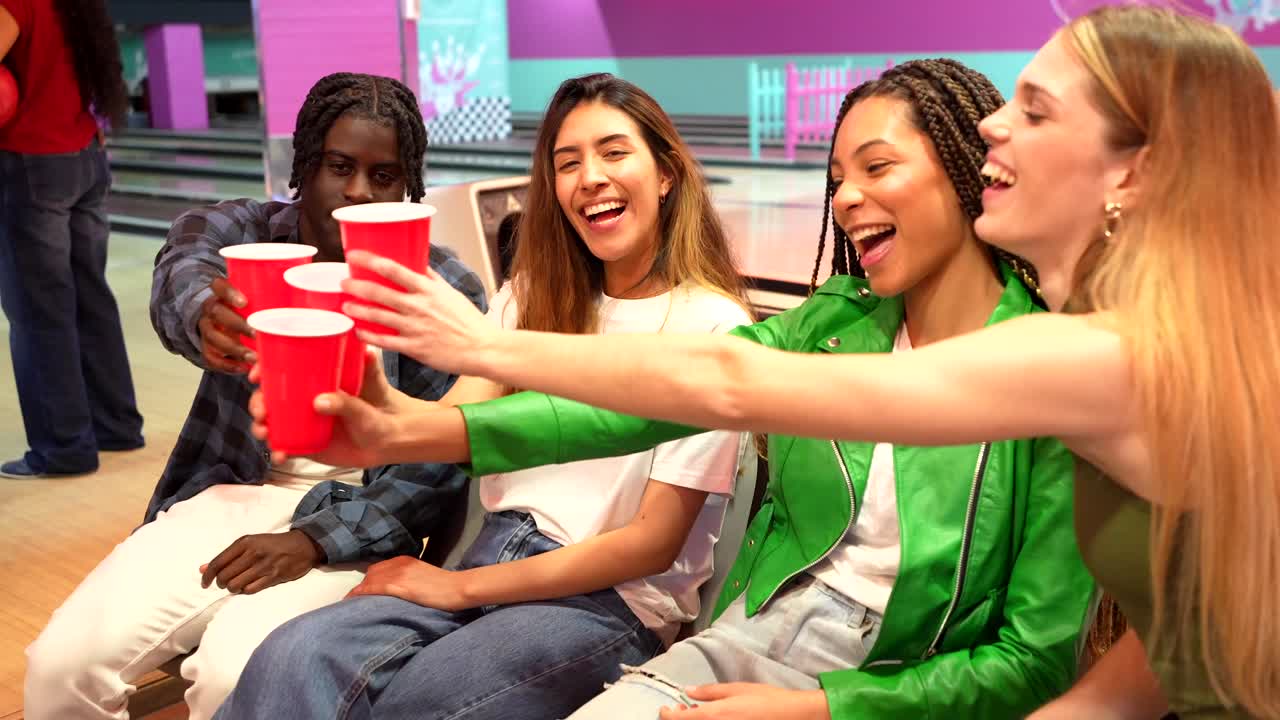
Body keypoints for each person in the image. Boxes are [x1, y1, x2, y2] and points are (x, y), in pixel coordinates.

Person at [326, 8, 1280, 718]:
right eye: (835, 177)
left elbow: (722, 382)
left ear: (1135, 171)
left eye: (1031, 110)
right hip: (767, 642)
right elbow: (1149, 666)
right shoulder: (1159, 338)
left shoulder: (1093, 357)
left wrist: (479, 345)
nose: (994, 125)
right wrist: (436, 424)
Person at [243, 61, 1097, 719]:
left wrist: (827, 707)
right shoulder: (835, 321)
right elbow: (640, 404)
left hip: (885, 679)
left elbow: (1034, 658)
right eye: (838, 175)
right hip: (753, 633)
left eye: (876, 167)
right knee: (291, 657)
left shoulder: (1047, 372)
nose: (846, 199)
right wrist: (403, 432)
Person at [214, 73, 754, 720]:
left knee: (413, 705)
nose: (590, 177)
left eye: (614, 152)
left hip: (608, 601)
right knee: (291, 656)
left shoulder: (714, 329)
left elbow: (650, 544)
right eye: (567, 162)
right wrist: (366, 402)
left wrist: (454, 585)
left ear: (666, 173)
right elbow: (453, 425)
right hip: (492, 552)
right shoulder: (531, 296)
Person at [22, 72, 487, 720]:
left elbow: (437, 463)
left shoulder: (444, 292)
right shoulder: (254, 243)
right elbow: (186, 251)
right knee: (59, 670)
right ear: (303, 168)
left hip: (360, 524)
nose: (356, 190)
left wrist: (316, 539)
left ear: (406, 187)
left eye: (382, 176)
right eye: (339, 166)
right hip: (230, 489)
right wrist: (203, 311)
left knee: (230, 676)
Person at [0, 0, 143, 478]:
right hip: (84, 156)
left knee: (39, 311)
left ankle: (63, 449)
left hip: (30, 163)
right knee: (89, 300)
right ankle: (116, 425)